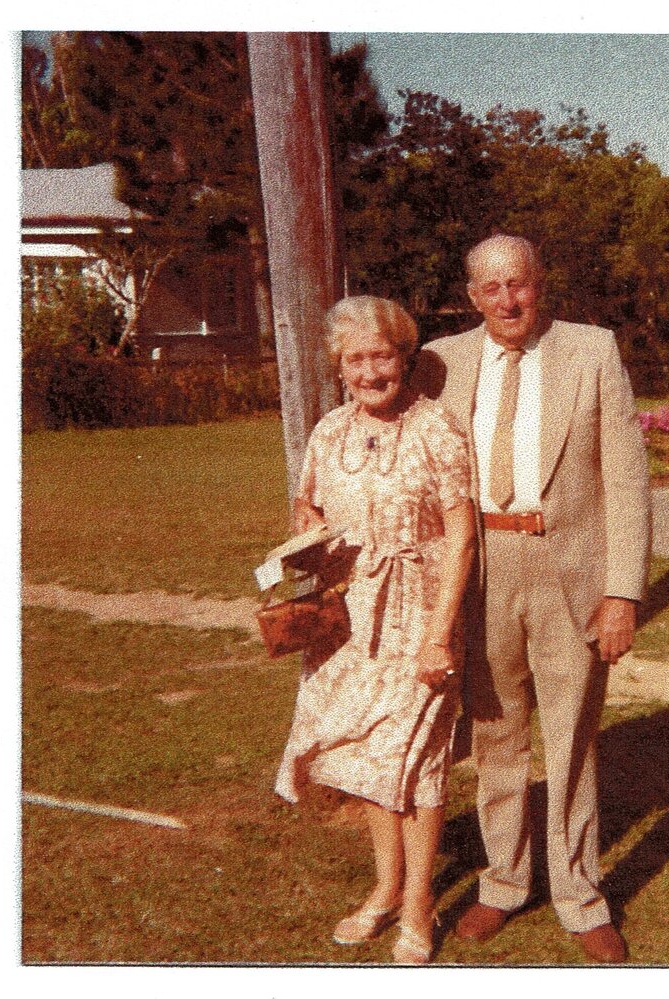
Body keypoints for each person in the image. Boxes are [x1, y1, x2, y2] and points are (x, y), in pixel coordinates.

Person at [424, 234, 651, 963]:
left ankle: (581, 894)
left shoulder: (591, 350)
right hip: (480, 567)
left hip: (569, 569)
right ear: (472, 296)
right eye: (492, 288)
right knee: (495, 733)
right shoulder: (441, 360)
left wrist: (622, 592)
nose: (508, 300)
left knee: (572, 736)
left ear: (539, 283)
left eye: (519, 284)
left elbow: (627, 479)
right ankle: (502, 881)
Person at [274, 295, 476, 965]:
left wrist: (441, 633)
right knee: (366, 757)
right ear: (340, 365)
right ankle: (385, 888)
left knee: (414, 759)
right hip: (349, 616)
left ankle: (418, 905)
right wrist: (306, 530)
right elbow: (308, 505)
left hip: (420, 613)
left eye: (381, 355)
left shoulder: (436, 429)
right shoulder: (329, 430)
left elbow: (463, 539)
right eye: (355, 358)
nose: (369, 370)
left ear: (404, 357)